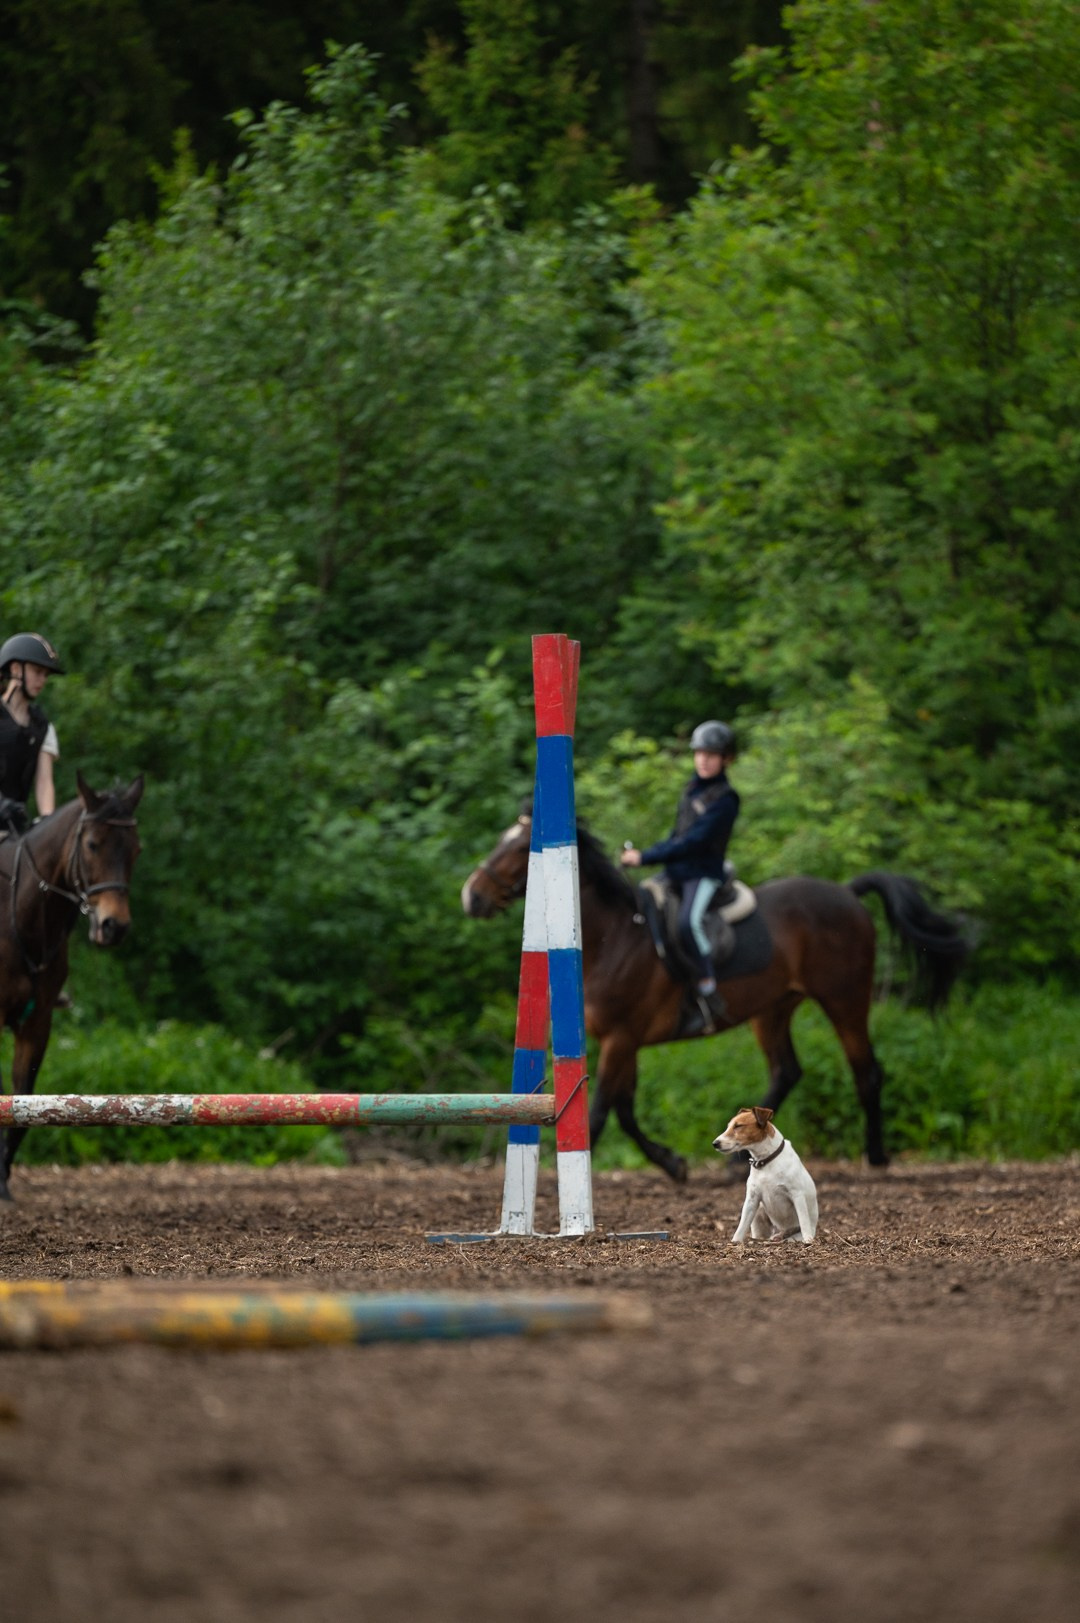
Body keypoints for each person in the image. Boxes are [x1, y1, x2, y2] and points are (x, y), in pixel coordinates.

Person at [620, 719, 740, 1022]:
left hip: (702, 874)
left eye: (711, 755)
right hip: (676, 870)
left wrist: (645, 857)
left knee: (688, 923)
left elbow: (693, 842)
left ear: (726, 759)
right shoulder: (692, 790)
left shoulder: (726, 800)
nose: (703, 760)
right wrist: (648, 854)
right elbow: (677, 836)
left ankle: (708, 988)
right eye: (699, 753)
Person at [0, 632, 65, 836]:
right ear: (16, 669)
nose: (42, 680)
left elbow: (44, 783)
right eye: (37, 672)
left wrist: (48, 822)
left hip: (12, 830)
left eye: (45, 675)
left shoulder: (42, 727)